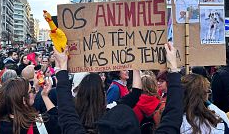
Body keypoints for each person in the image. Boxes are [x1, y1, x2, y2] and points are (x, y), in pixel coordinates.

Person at [54, 43, 184, 134]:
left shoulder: (78, 120)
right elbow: (173, 114)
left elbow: (66, 113)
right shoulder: (111, 106)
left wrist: (62, 68)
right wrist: (172, 67)